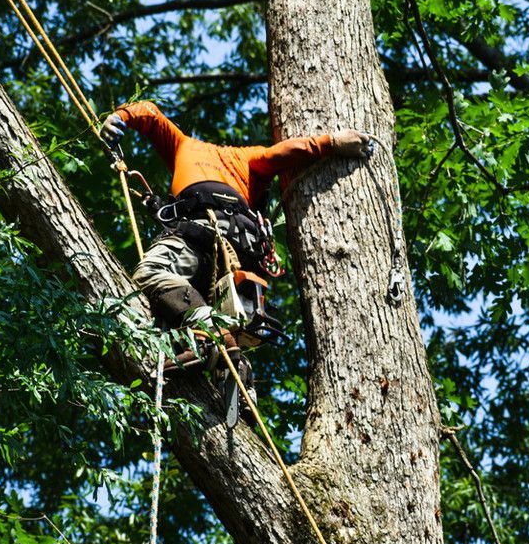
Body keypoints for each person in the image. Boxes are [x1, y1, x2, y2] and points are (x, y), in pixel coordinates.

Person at [101, 101, 370, 377]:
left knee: (151, 273)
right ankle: (237, 373)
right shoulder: (250, 158)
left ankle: (210, 331)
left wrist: (118, 117)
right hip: (237, 258)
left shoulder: (185, 146)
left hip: (197, 236)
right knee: (206, 316)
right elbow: (289, 151)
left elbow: (150, 115)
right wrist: (332, 142)